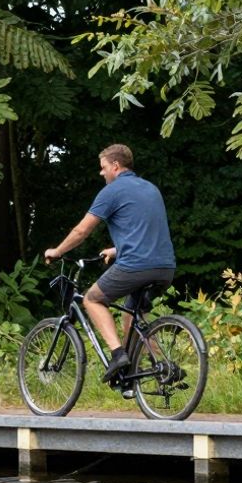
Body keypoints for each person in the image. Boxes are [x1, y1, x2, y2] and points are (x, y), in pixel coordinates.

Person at [44, 143, 176, 384]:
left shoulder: (113, 191)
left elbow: (82, 230)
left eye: (103, 167)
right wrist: (116, 250)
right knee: (133, 317)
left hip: (136, 266)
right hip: (165, 266)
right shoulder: (150, 189)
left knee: (92, 299)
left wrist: (57, 250)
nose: (101, 173)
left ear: (116, 166)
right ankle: (157, 369)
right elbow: (147, 230)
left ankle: (117, 356)